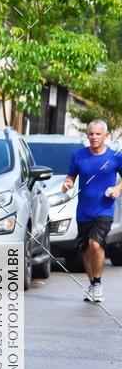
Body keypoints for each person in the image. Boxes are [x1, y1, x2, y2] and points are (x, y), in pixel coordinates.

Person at [62, 119, 122, 302]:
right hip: (84, 211)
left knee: (96, 244)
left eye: (98, 134)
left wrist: (117, 188)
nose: (94, 137)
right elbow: (71, 176)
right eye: (91, 133)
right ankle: (92, 284)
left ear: (106, 135)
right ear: (87, 135)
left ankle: (97, 284)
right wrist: (67, 184)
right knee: (87, 250)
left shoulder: (115, 157)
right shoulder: (79, 156)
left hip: (104, 209)